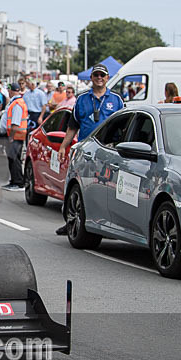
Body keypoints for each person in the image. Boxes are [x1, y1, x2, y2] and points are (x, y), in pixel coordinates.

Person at [55, 62, 124, 235]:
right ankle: (71, 220)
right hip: (85, 150)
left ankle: (105, 223)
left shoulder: (116, 100)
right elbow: (73, 126)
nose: (99, 78)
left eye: (102, 75)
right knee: (75, 185)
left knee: (102, 188)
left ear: (107, 78)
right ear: (91, 78)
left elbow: (123, 128)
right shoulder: (82, 99)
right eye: (96, 75)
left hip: (108, 152)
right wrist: (63, 146)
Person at [1, 83, 28, 191]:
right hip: (14, 135)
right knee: (12, 159)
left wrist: (11, 136)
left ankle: (18, 182)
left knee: (15, 159)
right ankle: (14, 181)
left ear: (11, 91)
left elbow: (15, 123)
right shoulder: (15, 102)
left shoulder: (17, 104)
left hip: (15, 135)